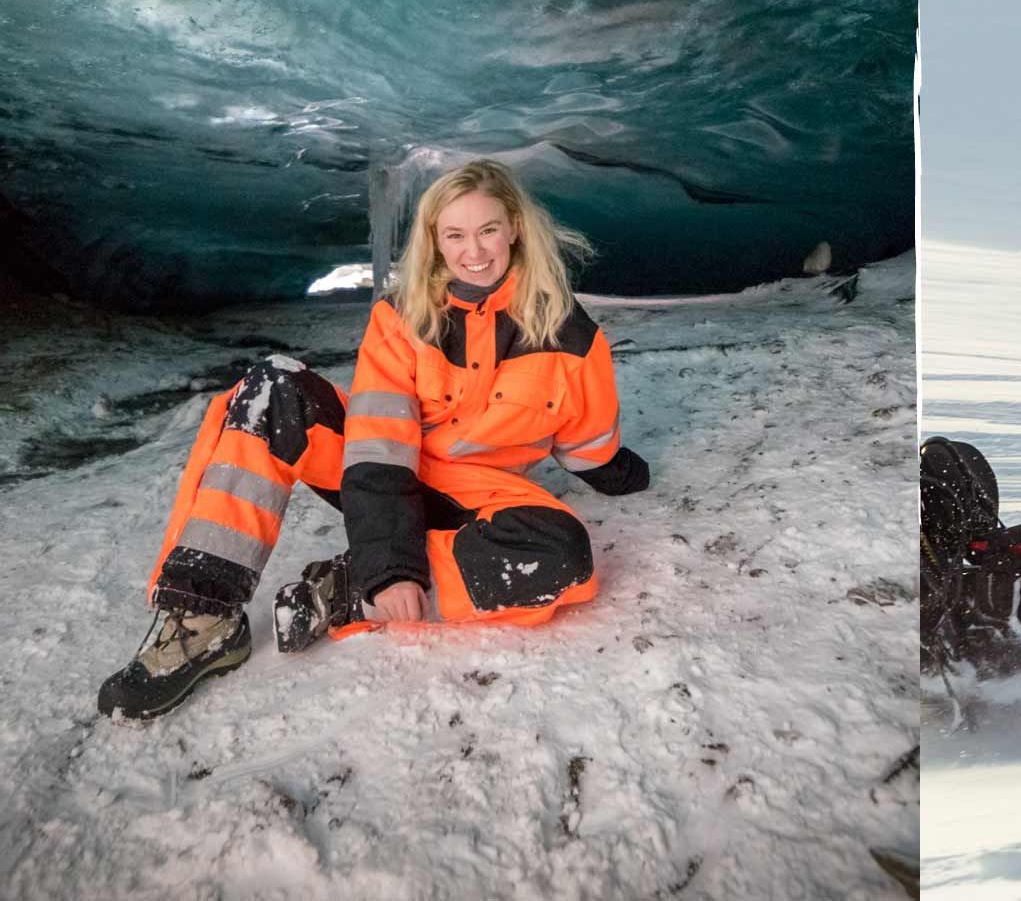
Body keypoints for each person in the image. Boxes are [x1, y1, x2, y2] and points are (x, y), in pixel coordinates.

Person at [99, 159, 652, 720]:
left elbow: (588, 443)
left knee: (563, 553)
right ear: (434, 241)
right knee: (271, 387)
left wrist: (621, 473)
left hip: (476, 496)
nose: (474, 251)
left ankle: (343, 589)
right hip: (382, 476)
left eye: (487, 229)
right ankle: (203, 615)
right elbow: (378, 444)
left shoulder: (570, 333)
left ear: (514, 227)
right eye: (455, 235)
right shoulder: (401, 317)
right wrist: (393, 567)